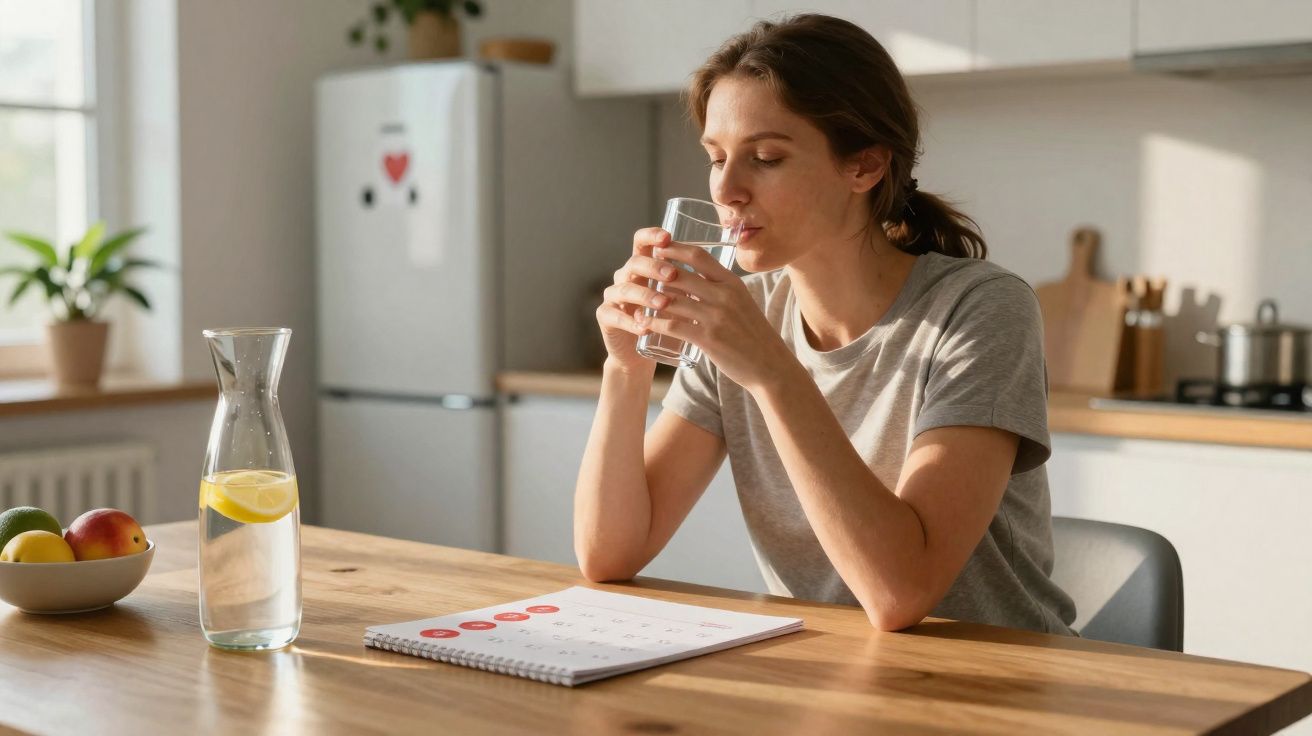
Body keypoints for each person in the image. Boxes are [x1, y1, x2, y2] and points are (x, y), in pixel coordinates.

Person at [574, 13, 1077, 635]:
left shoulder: (979, 310)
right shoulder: (744, 314)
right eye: (715, 157)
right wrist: (625, 367)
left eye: (765, 158)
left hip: (1001, 688)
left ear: (863, 168)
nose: (726, 189)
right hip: (833, 677)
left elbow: (901, 593)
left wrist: (773, 373)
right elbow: (610, 554)